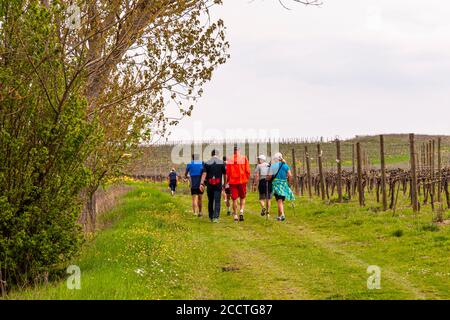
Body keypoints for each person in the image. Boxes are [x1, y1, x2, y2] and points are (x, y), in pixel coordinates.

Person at [199, 150, 226, 223]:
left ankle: (211, 216)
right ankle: (216, 217)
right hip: (218, 185)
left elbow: (204, 174)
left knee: (210, 201)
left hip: (210, 185)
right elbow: (224, 174)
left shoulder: (207, 163)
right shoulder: (221, 163)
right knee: (217, 201)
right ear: (217, 154)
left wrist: (201, 183)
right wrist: (225, 183)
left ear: (211, 154)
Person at [267, 152, 295, 221]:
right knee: (281, 201)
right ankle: (279, 216)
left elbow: (270, 176)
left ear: (276, 159)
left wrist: (267, 179)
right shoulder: (285, 165)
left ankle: (282, 214)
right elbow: (290, 175)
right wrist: (289, 184)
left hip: (276, 185)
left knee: (279, 201)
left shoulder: (273, 166)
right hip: (284, 185)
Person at [226, 146, 251, 222]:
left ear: (233, 151)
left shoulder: (230, 159)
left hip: (233, 182)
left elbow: (228, 172)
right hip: (242, 181)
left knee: (234, 199)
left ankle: (235, 216)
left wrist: (228, 180)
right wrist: (246, 179)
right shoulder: (244, 158)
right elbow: (248, 170)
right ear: (239, 150)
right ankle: (241, 212)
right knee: (242, 197)